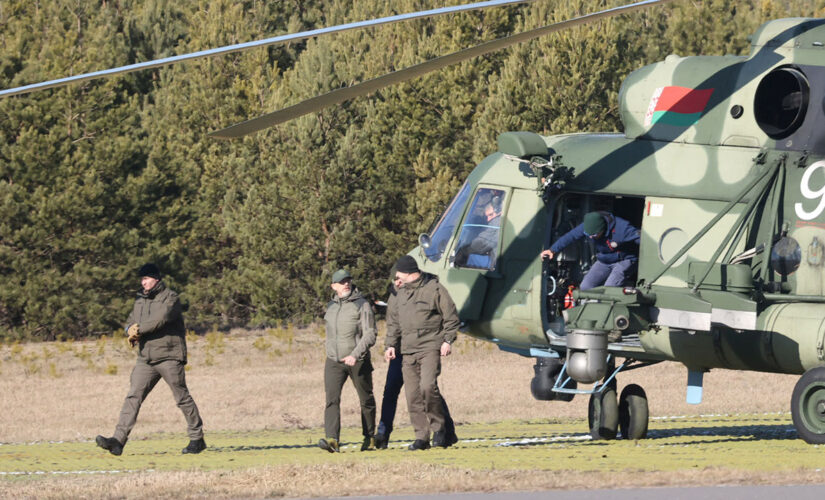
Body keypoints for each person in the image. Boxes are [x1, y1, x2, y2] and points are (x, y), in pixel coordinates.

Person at [96, 263, 205, 456]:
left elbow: (160, 320)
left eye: (146, 279)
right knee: (133, 397)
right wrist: (129, 330)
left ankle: (197, 438)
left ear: (156, 278)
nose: (143, 283)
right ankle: (118, 441)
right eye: (141, 279)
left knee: (182, 398)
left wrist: (138, 329)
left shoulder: (170, 297)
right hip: (146, 358)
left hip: (169, 356)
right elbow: (131, 320)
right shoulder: (140, 300)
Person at [374, 268, 458, 450]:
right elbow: (392, 324)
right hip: (401, 351)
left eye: (399, 278)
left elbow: (447, 315)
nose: (396, 282)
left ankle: (446, 430)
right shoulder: (395, 296)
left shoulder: (429, 290)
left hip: (423, 348)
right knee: (394, 391)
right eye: (394, 279)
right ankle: (383, 433)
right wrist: (389, 346)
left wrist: (446, 340)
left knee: (428, 388)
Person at [318, 269, 377, 453]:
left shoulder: (362, 305)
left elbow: (370, 334)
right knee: (331, 400)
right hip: (334, 361)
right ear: (333, 286)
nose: (346, 284)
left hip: (357, 360)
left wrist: (355, 354)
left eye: (348, 280)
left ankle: (369, 438)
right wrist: (329, 351)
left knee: (366, 400)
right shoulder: (331, 306)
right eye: (342, 281)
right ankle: (332, 440)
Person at [540, 211, 640, 290]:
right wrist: (552, 250)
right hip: (605, 260)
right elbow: (571, 236)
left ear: (603, 229)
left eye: (594, 235)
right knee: (585, 287)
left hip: (625, 260)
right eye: (589, 235)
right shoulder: (587, 226)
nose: (591, 237)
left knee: (610, 288)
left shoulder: (623, 229)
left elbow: (644, 240)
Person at [453, 199, 502, 268]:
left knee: (461, 260)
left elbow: (481, 243)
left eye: (490, 214)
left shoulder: (497, 222)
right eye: (487, 216)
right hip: (497, 258)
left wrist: (463, 251)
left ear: (500, 211)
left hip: (496, 263)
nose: (488, 219)